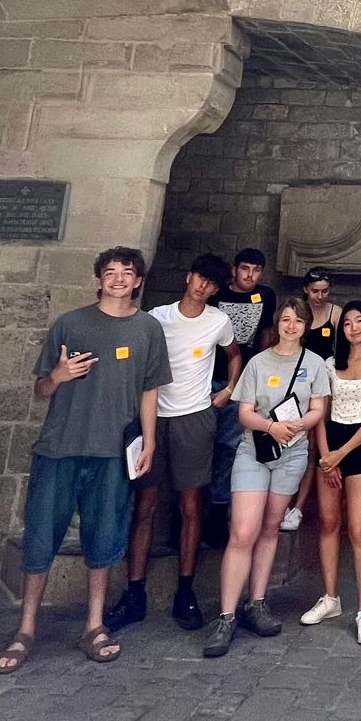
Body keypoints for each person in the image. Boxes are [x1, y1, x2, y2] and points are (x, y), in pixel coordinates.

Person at [0, 247, 170, 674]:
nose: (118, 278)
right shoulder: (70, 324)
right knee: (40, 538)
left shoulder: (148, 329)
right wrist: (58, 376)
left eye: (127, 272)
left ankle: (94, 625)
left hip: (112, 453)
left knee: (104, 538)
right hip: (60, 447)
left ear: (138, 280)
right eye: (110, 272)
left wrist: (149, 441)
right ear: (98, 280)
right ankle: (26, 629)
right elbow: (40, 389)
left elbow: (150, 389)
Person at [107, 255, 238, 634]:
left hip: (194, 418)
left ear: (215, 290)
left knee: (191, 505)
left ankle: (185, 591)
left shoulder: (218, 321)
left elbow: (234, 354)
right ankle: (134, 593)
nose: (203, 286)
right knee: (145, 504)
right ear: (189, 276)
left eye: (211, 283)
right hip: (153, 417)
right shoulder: (157, 317)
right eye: (200, 278)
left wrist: (228, 389)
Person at [204, 299, 332, 657]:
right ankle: (226, 616)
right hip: (255, 451)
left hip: (291, 454)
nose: (291, 326)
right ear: (278, 324)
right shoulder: (258, 362)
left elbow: (319, 409)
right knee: (243, 532)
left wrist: (296, 426)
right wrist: (271, 426)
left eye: (298, 321)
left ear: (306, 326)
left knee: (271, 527)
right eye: (286, 319)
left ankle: (256, 602)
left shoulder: (315, 364)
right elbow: (244, 413)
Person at [300, 301, 361, 644]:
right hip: (331, 442)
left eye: (359, 321)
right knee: (328, 522)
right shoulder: (328, 364)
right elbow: (320, 413)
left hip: (360, 446)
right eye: (348, 322)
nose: (354, 327)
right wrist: (327, 457)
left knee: (358, 527)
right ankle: (330, 597)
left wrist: (341, 454)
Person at [207, 248, 278, 523]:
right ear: (234, 270)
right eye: (245, 268)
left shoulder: (266, 296)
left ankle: (218, 510)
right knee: (203, 446)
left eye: (256, 270)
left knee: (229, 447)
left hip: (243, 384)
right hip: (209, 377)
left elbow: (266, 334)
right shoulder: (217, 295)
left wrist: (261, 375)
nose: (250, 275)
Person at [281, 268, 342, 534]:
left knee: (311, 448)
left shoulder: (335, 314)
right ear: (305, 289)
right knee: (285, 441)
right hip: (291, 384)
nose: (319, 296)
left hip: (320, 385)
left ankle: (298, 507)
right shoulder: (296, 312)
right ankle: (282, 502)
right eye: (315, 290)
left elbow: (349, 346)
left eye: (325, 291)